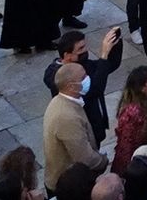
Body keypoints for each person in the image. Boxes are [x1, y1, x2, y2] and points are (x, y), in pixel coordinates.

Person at [44, 27, 125, 147]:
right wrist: (103, 55)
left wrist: (115, 43)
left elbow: (108, 66)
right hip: (80, 129)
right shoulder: (59, 77)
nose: (85, 50)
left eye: (85, 46)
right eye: (80, 48)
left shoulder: (81, 64)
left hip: (94, 122)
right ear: (67, 55)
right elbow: (95, 89)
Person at [43, 62, 108, 192]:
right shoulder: (66, 116)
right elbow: (85, 157)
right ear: (71, 87)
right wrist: (103, 160)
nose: (88, 79)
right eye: (83, 78)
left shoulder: (63, 101)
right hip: (67, 187)